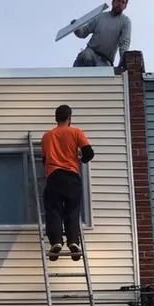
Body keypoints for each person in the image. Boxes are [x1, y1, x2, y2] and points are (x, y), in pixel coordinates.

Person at [41, 104, 95, 261]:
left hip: (54, 177)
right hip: (71, 177)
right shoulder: (76, 132)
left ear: (56, 118)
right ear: (69, 118)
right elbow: (89, 153)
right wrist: (80, 159)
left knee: (54, 211)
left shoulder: (47, 136)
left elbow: (45, 160)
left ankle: (56, 241)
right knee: (72, 210)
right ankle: (73, 242)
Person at [71, 0, 131, 71]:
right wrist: (76, 27)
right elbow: (84, 32)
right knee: (85, 55)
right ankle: (76, 80)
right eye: (118, 1)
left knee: (103, 78)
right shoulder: (100, 16)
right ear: (113, 2)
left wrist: (123, 64)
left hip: (105, 60)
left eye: (123, 2)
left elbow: (124, 44)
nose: (120, 4)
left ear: (125, 6)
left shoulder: (125, 21)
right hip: (91, 52)